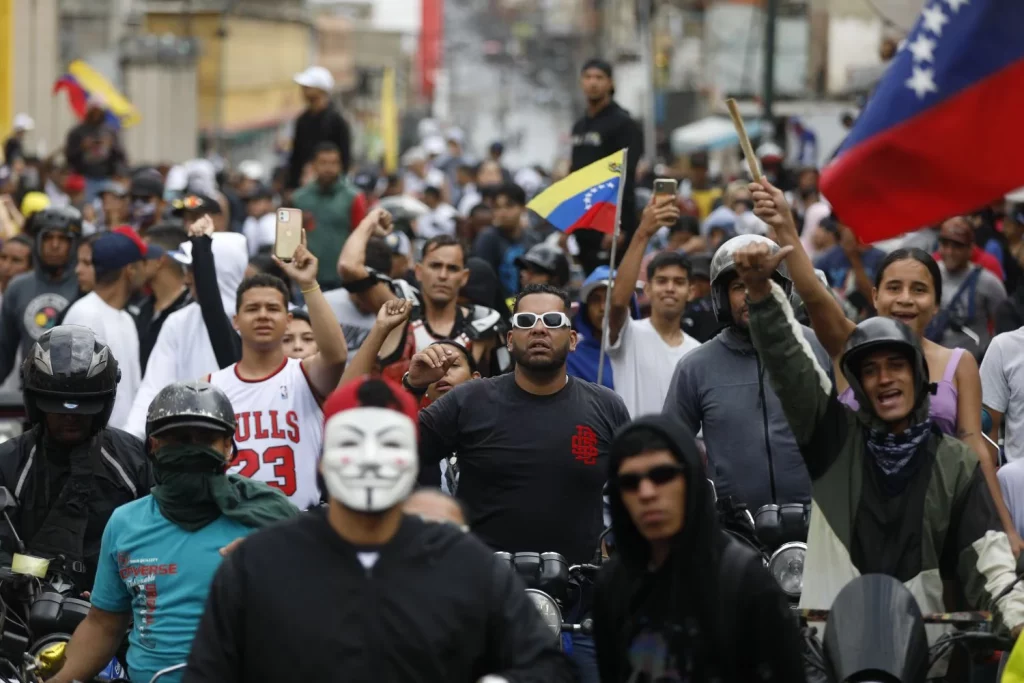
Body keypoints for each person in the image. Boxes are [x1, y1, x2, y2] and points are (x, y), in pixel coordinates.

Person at [182, 375, 574, 683]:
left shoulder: (466, 564)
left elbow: (545, 667)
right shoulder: (259, 565)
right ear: (322, 460)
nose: (370, 461)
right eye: (351, 442)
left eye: (388, 445)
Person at [735, 239, 1024, 635]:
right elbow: (790, 365)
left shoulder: (956, 463)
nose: (885, 378)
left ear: (919, 377)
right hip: (830, 648)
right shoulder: (833, 440)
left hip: (922, 652)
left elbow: (989, 560)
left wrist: (1017, 619)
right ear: (858, 383)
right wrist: (760, 294)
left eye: (896, 366)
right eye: (870, 370)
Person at [750, 179, 1024, 554]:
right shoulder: (852, 346)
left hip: (935, 537)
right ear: (875, 296)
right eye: (894, 288)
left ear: (936, 303)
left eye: (919, 290)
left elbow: (974, 450)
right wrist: (784, 225)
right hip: (851, 532)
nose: (905, 300)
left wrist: (1002, 528)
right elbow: (813, 293)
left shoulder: (959, 364)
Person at [414, 283, 630, 681]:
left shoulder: (607, 407)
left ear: (573, 336)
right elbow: (398, 454)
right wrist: (412, 387)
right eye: (527, 321)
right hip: (483, 603)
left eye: (552, 321)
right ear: (510, 339)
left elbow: (634, 494)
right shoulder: (469, 400)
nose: (540, 330)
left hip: (578, 609)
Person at [47, 381, 297, 683]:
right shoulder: (125, 523)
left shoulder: (270, 517)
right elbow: (103, 625)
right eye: (177, 439)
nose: (191, 448)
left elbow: (320, 605)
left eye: (206, 438)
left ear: (228, 447)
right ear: (153, 446)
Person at [594, 413, 806, 682]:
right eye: (630, 482)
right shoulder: (612, 586)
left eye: (662, 475)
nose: (646, 492)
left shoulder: (744, 581)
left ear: (691, 480)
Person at [663, 234, 829, 513]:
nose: (751, 294)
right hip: (735, 535)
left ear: (783, 290)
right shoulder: (695, 367)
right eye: (740, 285)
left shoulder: (818, 348)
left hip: (819, 527)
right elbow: (667, 450)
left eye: (764, 283)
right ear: (721, 296)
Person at [0, 326, 151, 589]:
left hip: (116, 606)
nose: (70, 416)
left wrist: (111, 588)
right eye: (58, 407)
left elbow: (158, 540)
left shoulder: (132, 459)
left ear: (103, 404)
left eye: (82, 407)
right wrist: (41, 573)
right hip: (23, 610)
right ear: (36, 403)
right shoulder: (10, 462)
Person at [207, 242, 348, 510]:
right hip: (232, 524)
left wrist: (309, 284)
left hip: (297, 526)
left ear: (287, 318)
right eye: (252, 309)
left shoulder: (305, 375)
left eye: (272, 309)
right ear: (236, 321)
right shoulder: (211, 386)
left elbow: (337, 355)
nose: (262, 315)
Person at [607, 196, 700, 418]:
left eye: (678, 282)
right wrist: (643, 233)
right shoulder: (629, 333)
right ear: (647, 290)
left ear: (691, 292)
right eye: (661, 281)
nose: (669, 288)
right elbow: (618, 301)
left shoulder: (698, 352)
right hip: (632, 449)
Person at [62, 227, 159, 430]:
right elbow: (74, 392)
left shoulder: (126, 318)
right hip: (95, 444)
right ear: (130, 270)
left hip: (124, 445)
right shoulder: (85, 314)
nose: (146, 269)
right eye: (142, 263)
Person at [570, 58, 643, 275]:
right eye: (588, 77)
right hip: (584, 222)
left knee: (611, 287)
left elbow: (625, 177)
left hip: (610, 225)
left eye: (599, 78)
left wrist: (617, 225)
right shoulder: (580, 126)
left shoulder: (623, 124)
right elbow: (575, 177)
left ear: (610, 83)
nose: (593, 83)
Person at [0, 207, 83, 385]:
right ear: (37, 241)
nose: (54, 245)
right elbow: (3, 352)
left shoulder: (84, 286)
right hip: (30, 395)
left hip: (79, 394)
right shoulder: (18, 287)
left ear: (74, 244)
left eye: (63, 239)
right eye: (48, 237)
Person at [292, 142, 367, 289]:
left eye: (334, 163)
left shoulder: (354, 197)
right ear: (313, 165)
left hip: (344, 279)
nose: (328, 168)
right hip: (307, 278)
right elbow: (292, 238)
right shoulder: (299, 198)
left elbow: (361, 237)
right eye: (323, 163)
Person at [287, 65, 352, 190]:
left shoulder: (337, 121)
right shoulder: (302, 120)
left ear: (320, 90)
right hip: (305, 186)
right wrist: (292, 184)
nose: (303, 90)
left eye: (307, 87)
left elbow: (345, 158)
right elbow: (296, 156)